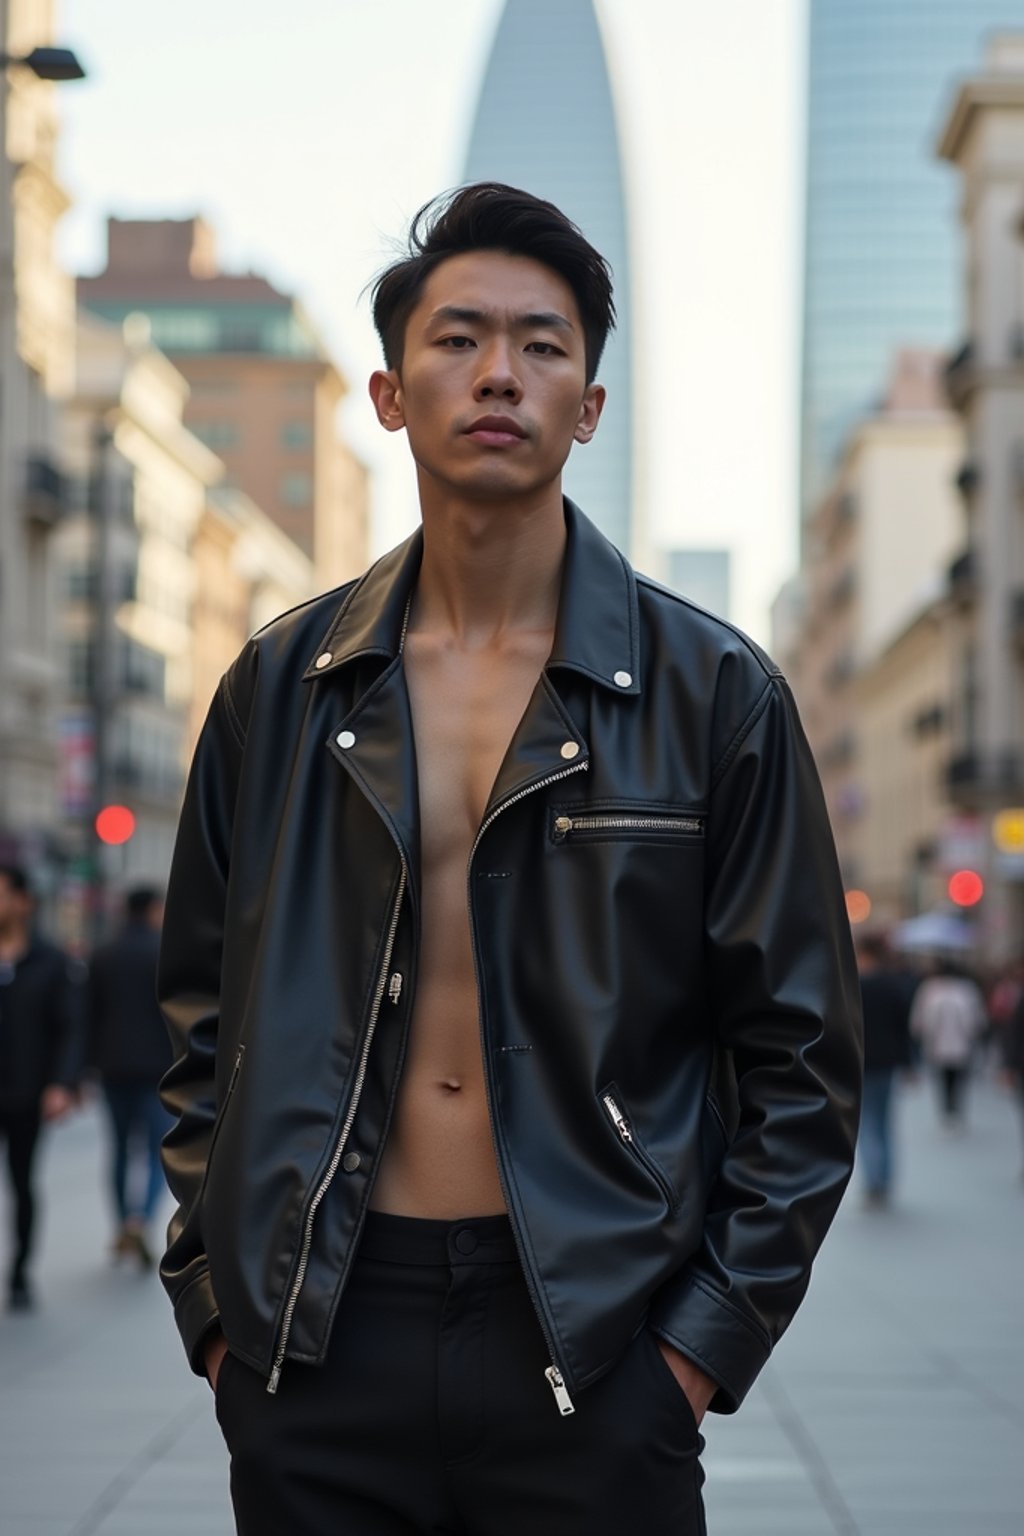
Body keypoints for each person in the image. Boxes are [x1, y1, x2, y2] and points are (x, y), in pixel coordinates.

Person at [159, 183, 863, 1536]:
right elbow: (200, 1015)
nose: (500, 373)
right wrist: (216, 1311)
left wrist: (693, 1353)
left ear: (590, 407)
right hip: (320, 1337)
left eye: (544, 346)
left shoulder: (716, 694)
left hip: (601, 1344)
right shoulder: (282, 685)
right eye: (459, 337)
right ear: (388, 391)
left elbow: (805, 1057)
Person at [0, 863, 81, 1309]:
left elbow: (70, 1026)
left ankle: (20, 1272)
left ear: (23, 902)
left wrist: (61, 1084)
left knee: (22, 1181)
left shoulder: (50, 961)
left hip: (27, 1091)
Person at [87, 885, 172, 1268]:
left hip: (112, 1066)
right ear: (154, 909)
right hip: (158, 1069)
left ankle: (122, 1222)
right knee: (157, 1150)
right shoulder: (165, 953)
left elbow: (87, 1012)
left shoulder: (103, 953)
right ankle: (141, 1220)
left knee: (120, 1148)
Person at [855, 931, 916, 1207]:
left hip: (861, 1061)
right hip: (887, 1061)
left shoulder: (854, 985)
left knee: (867, 1122)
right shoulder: (892, 985)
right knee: (883, 1120)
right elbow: (904, 1027)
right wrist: (908, 1061)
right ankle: (885, 1179)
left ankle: (873, 1182)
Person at [909, 957, 987, 1127]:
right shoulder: (963, 989)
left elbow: (919, 1017)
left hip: (946, 1041)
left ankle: (951, 1109)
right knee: (951, 1076)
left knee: (949, 1076)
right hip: (952, 1041)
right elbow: (976, 1017)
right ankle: (951, 1109)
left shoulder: (931, 989)